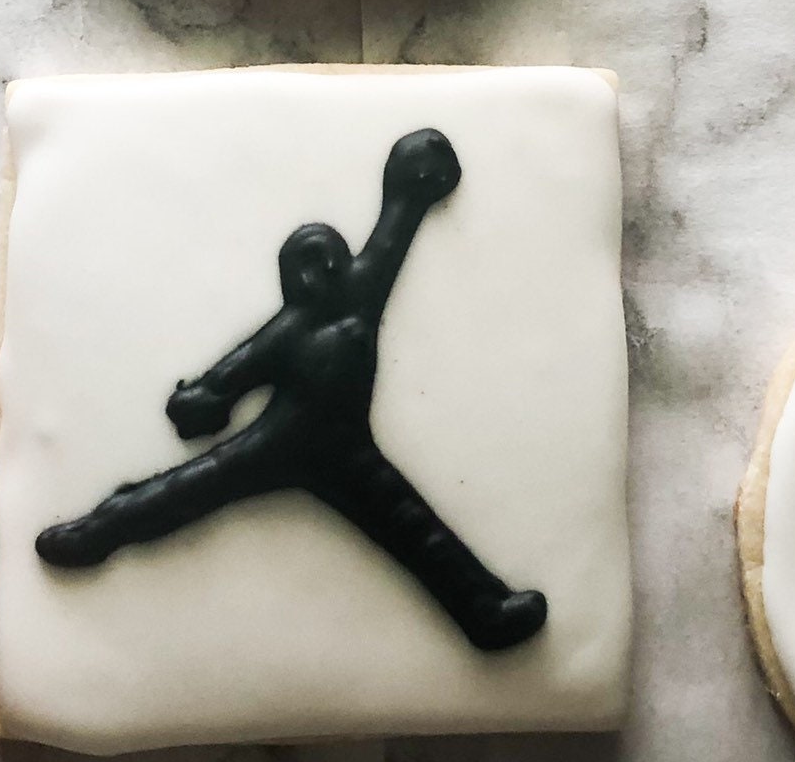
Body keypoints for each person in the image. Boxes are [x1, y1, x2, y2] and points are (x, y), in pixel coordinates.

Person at [36, 127, 548, 651]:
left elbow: (393, 229)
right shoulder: (285, 333)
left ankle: (487, 611)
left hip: (347, 451)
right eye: (305, 263)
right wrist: (201, 400)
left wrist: (414, 182)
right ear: (288, 276)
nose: (320, 270)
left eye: (328, 258)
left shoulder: (359, 298)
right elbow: (222, 385)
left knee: (417, 532)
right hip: (276, 443)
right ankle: (96, 531)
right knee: (180, 491)